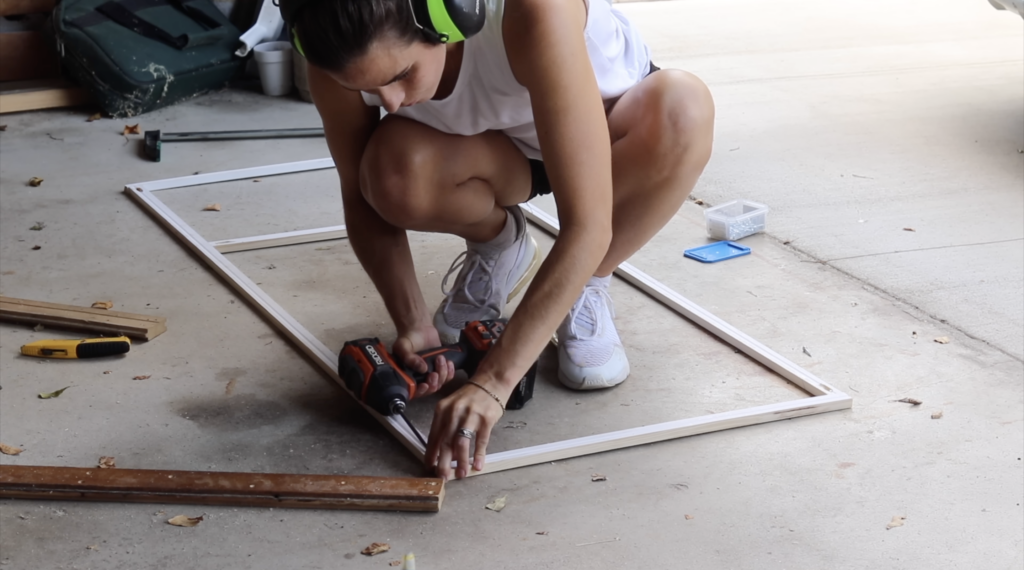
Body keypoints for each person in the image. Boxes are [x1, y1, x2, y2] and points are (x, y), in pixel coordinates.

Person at [286, 0, 714, 480]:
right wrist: (413, 325)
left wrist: (493, 384)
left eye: (402, 74)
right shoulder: (331, 46)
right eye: (366, 88)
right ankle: (499, 245)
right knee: (391, 174)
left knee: (683, 107)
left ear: (449, 15)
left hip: (613, 136)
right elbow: (358, 197)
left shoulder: (534, 12)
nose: (388, 101)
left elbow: (587, 224)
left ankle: (587, 283)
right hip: (496, 153)